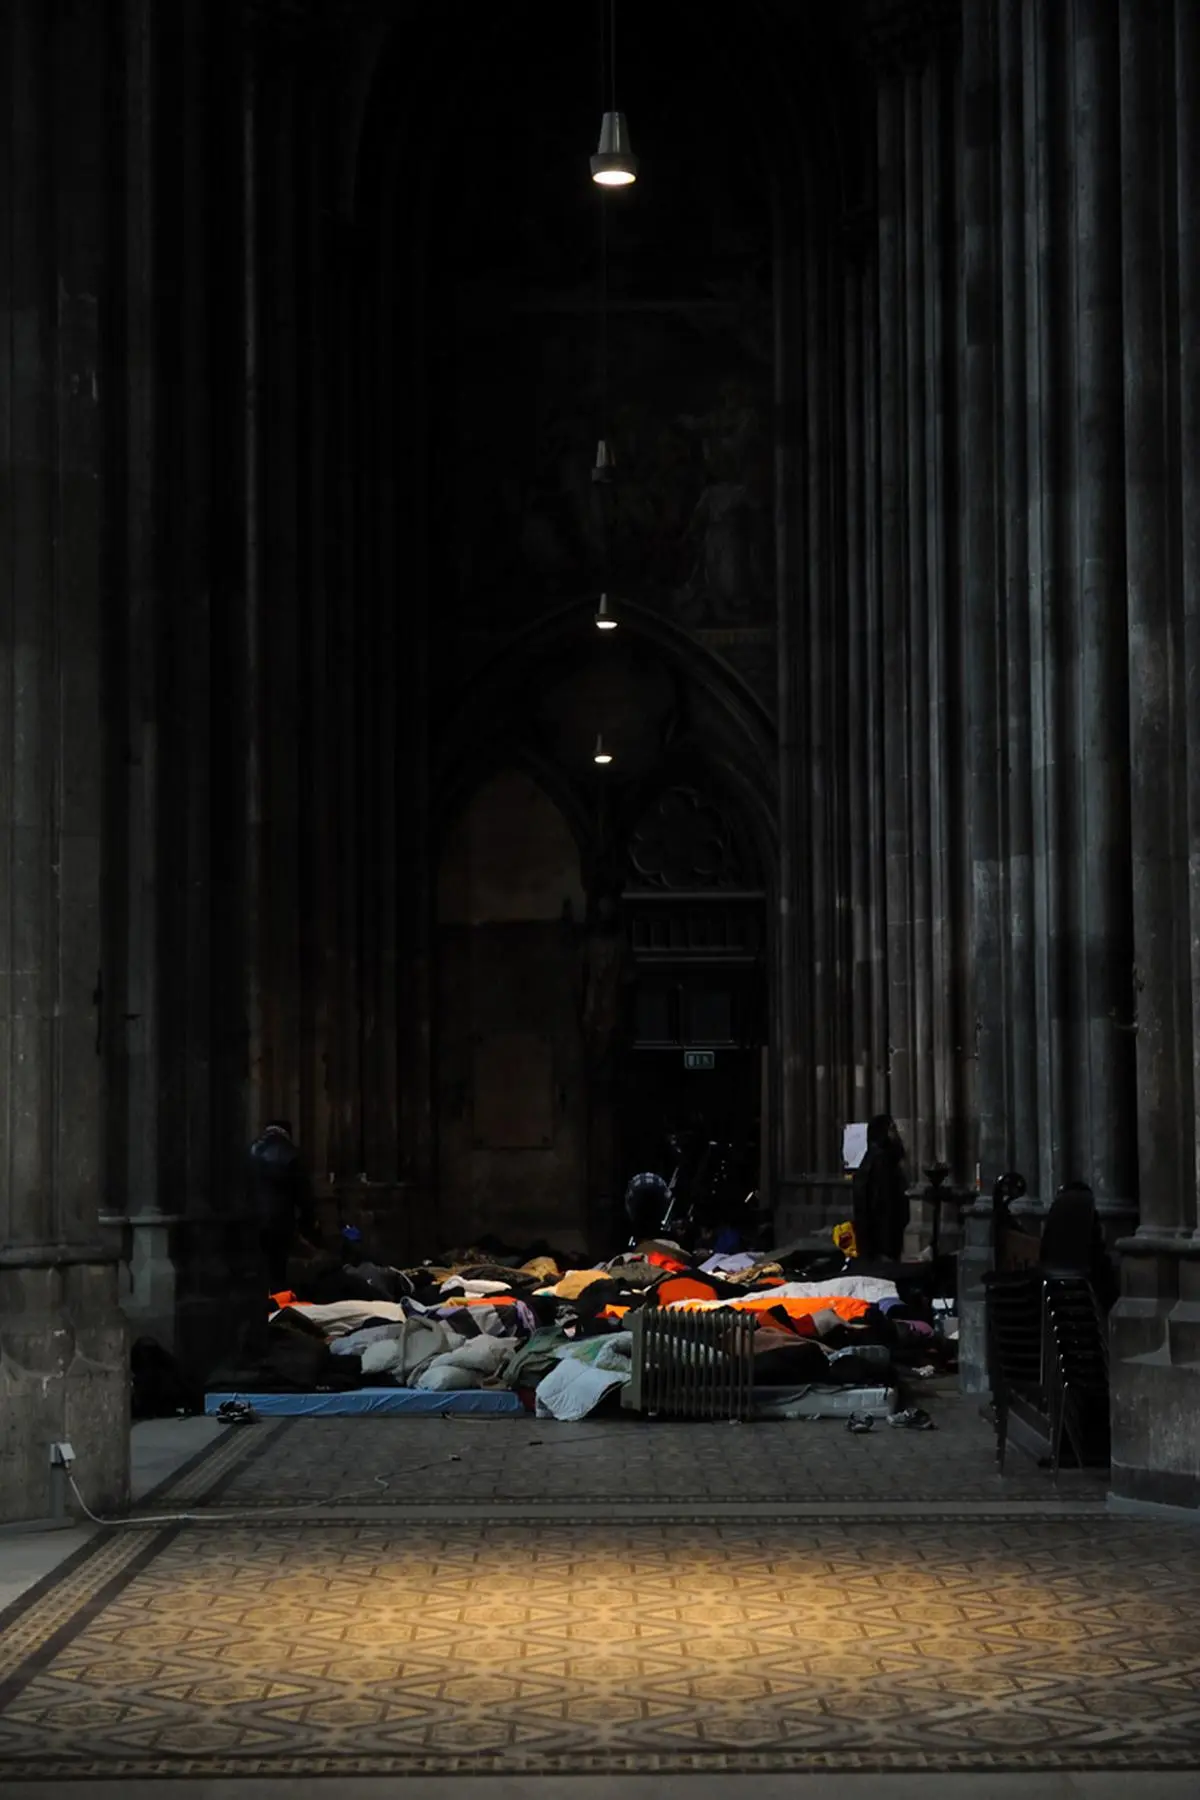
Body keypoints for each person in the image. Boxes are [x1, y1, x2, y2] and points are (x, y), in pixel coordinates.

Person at [248, 1119, 319, 1293]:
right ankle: (277, 1306)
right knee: (277, 1270)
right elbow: (304, 1195)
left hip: (252, 1220)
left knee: (257, 1269)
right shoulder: (291, 1154)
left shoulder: (251, 1151)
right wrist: (309, 1227)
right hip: (280, 1222)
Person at [851, 1114, 910, 1263]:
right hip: (882, 1242)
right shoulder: (880, 1163)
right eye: (892, 1128)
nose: (896, 1133)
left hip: (884, 1239)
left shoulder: (881, 1159)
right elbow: (881, 1207)